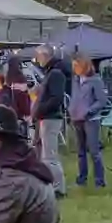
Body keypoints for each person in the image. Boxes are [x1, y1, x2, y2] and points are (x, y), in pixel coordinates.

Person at [29, 44, 70, 197]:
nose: (37, 59)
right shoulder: (49, 73)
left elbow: (56, 98)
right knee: (41, 154)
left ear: (45, 56)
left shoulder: (56, 74)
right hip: (43, 118)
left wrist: (40, 109)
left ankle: (59, 188)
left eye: (38, 56)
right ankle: (45, 184)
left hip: (50, 119)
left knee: (50, 156)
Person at [69, 56, 109, 189]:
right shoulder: (75, 81)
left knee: (94, 151)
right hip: (76, 119)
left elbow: (102, 101)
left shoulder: (95, 81)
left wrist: (89, 111)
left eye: (77, 66)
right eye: (73, 66)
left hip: (91, 120)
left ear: (84, 66)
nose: (74, 69)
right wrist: (71, 109)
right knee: (80, 152)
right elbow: (74, 97)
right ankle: (82, 179)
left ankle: (100, 181)